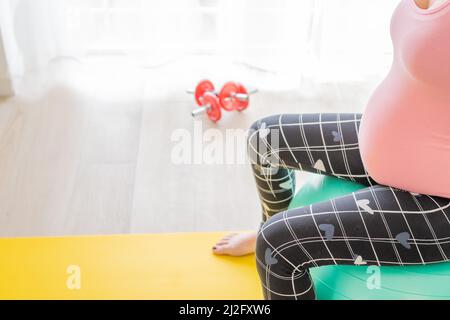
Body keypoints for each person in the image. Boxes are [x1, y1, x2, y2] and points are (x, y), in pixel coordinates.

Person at [213, 0, 450, 300]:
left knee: (277, 245)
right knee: (264, 139)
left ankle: (271, 239)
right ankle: (266, 224)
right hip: (398, 142)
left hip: (438, 199)